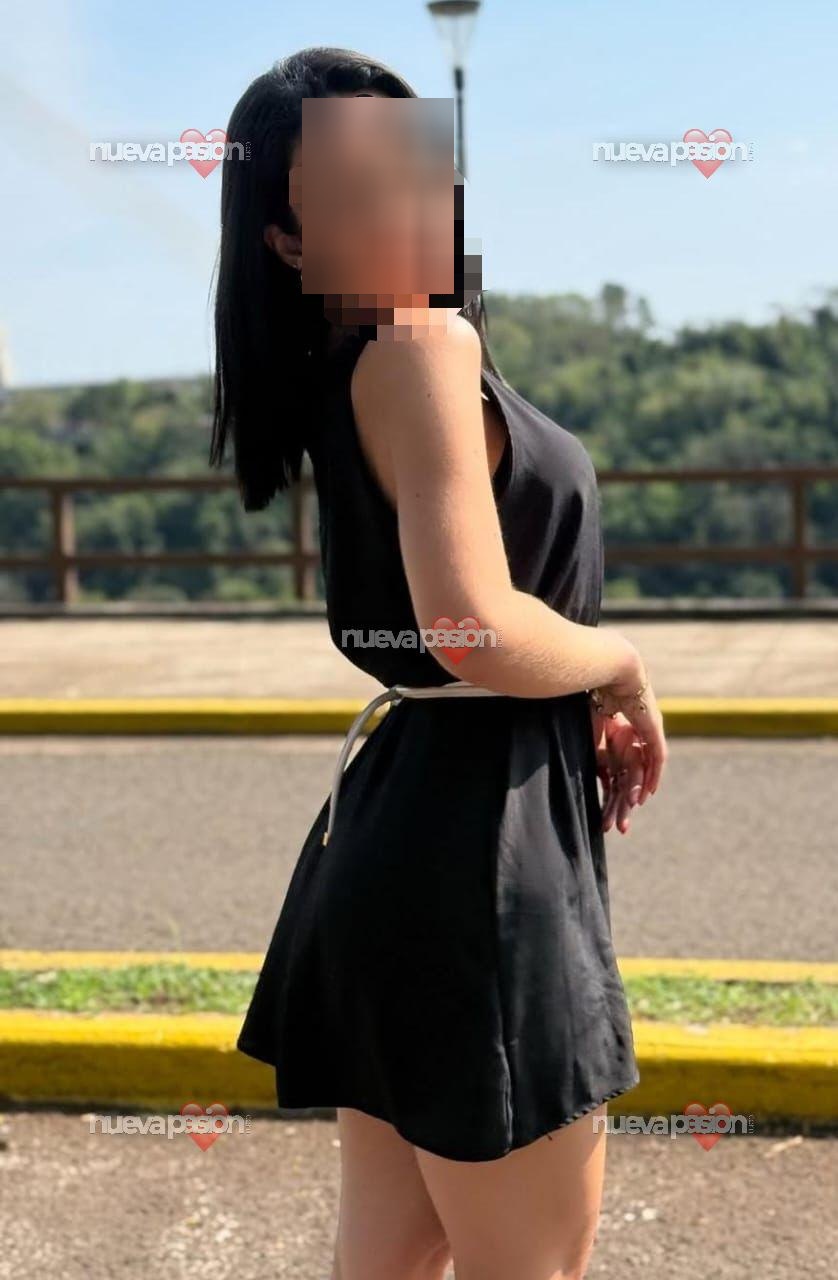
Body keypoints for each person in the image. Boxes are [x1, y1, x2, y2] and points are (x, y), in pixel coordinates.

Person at [211, 46, 668, 1280]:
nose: (410, 203)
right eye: (356, 188)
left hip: (405, 828)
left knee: (391, 1255)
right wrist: (617, 662)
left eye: (418, 169)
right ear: (287, 238)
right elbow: (469, 625)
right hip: (476, 850)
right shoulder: (420, 343)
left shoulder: (363, 360)